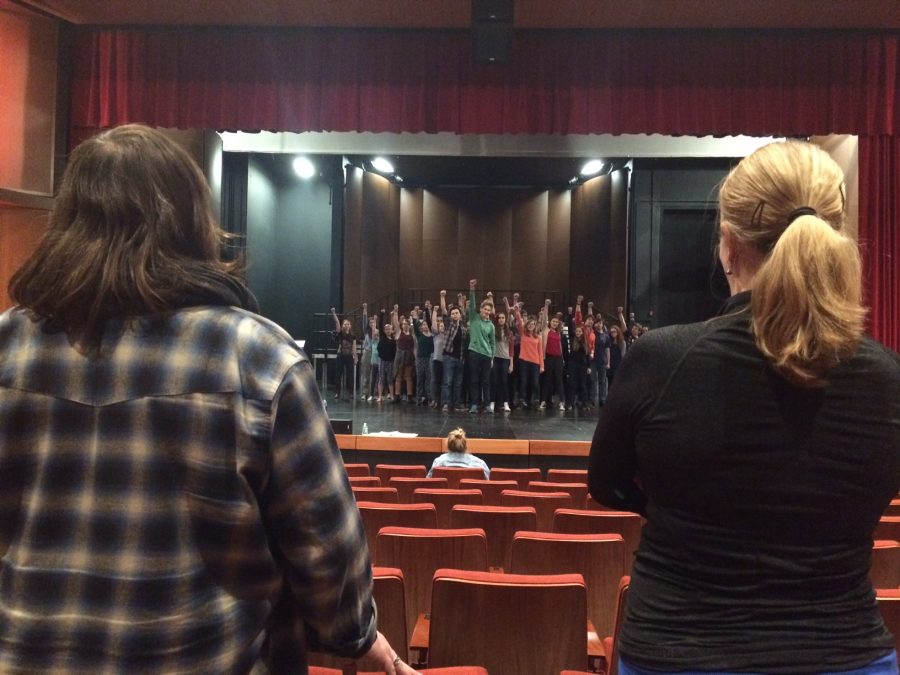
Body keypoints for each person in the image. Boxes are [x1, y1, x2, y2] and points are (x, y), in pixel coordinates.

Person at [0, 124, 418, 674]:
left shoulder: (7, 347)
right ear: (189, 221)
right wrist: (357, 636)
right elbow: (327, 550)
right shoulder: (257, 357)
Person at [588, 140, 900, 674]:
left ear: (728, 246)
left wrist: (679, 509)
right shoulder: (890, 381)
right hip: (844, 654)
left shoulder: (662, 361)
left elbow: (607, 483)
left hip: (677, 652)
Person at [466, 279, 495, 414]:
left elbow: (492, 343)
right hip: (474, 353)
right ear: (481, 308)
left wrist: (492, 358)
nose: (487, 311)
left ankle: (487, 404)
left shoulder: (491, 326)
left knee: (486, 381)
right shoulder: (474, 317)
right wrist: (472, 289)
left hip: (487, 355)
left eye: (489, 310)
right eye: (485, 309)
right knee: (474, 380)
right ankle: (474, 404)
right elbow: (472, 304)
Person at [331, 306, 357, 400]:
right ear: (343, 326)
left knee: (350, 375)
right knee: (338, 374)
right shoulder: (341, 333)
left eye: (348, 324)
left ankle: (351, 393)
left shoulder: (353, 335)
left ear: (350, 326)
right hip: (341, 356)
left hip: (349, 356)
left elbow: (354, 347)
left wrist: (356, 357)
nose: (346, 325)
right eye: (345, 324)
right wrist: (334, 313)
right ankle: (337, 393)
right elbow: (337, 323)